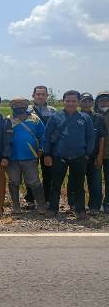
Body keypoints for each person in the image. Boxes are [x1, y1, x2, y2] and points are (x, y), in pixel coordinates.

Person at [43, 91, 95, 220]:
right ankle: (53, 209)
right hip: (59, 156)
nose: (70, 103)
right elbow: (47, 136)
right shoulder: (55, 117)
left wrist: (87, 154)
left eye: (73, 101)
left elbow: (90, 137)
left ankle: (80, 210)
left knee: (79, 185)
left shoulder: (85, 118)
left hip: (79, 156)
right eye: (68, 101)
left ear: (78, 102)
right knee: (55, 184)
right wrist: (47, 154)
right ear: (63, 101)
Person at [7, 97, 47, 214]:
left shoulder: (35, 119)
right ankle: (16, 206)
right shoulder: (8, 120)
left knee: (34, 182)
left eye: (21, 104)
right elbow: (3, 139)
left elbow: (43, 135)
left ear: (26, 106)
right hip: (12, 158)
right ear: (12, 107)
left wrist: (41, 148)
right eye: (15, 104)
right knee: (13, 182)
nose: (18, 106)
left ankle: (41, 205)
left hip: (30, 156)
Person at [73, 93, 106, 215]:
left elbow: (102, 138)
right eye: (84, 101)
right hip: (77, 156)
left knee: (95, 182)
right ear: (80, 102)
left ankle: (94, 207)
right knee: (77, 182)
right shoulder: (74, 116)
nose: (86, 103)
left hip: (94, 156)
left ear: (92, 103)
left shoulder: (99, 118)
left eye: (89, 101)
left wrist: (100, 156)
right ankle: (77, 206)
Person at [27, 86, 57, 209]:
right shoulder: (27, 110)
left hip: (48, 147)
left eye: (43, 94)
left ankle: (47, 199)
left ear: (47, 96)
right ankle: (30, 199)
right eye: (38, 94)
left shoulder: (53, 111)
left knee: (48, 174)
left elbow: (57, 129)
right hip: (31, 147)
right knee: (30, 174)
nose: (40, 96)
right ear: (33, 95)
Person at [96, 91, 109, 213]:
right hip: (96, 153)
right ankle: (97, 202)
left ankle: (107, 202)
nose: (104, 102)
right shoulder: (93, 114)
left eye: (106, 100)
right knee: (96, 180)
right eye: (101, 100)